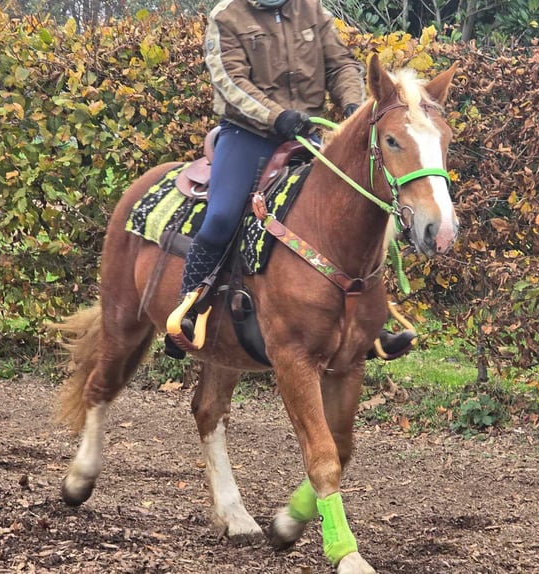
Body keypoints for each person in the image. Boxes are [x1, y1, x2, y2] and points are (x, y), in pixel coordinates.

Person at [165, 0, 415, 360]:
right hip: (247, 134)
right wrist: (276, 116)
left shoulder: (312, 10)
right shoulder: (227, 15)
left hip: (306, 133)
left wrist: (351, 107)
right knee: (221, 216)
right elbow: (230, 81)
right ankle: (189, 307)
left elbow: (341, 63)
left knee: (359, 210)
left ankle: (371, 323)